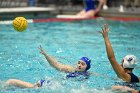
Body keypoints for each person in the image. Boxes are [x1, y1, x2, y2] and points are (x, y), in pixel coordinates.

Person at [5, 45, 91, 88]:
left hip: (56, 86)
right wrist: (46, 55)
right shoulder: (71, 69)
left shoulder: (88, 75)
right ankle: (11, 82)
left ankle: (10, 83)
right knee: (30, 87)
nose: (79, 65)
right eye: (79, 63)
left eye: (82, 64)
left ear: (86, 68)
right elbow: (56, 65)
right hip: (52, 84)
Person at [100, 24, 139, 91]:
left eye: (122, 61)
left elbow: (111, 57)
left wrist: (106, 37)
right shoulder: (136, 78)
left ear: (123, 63)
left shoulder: (124, 76)